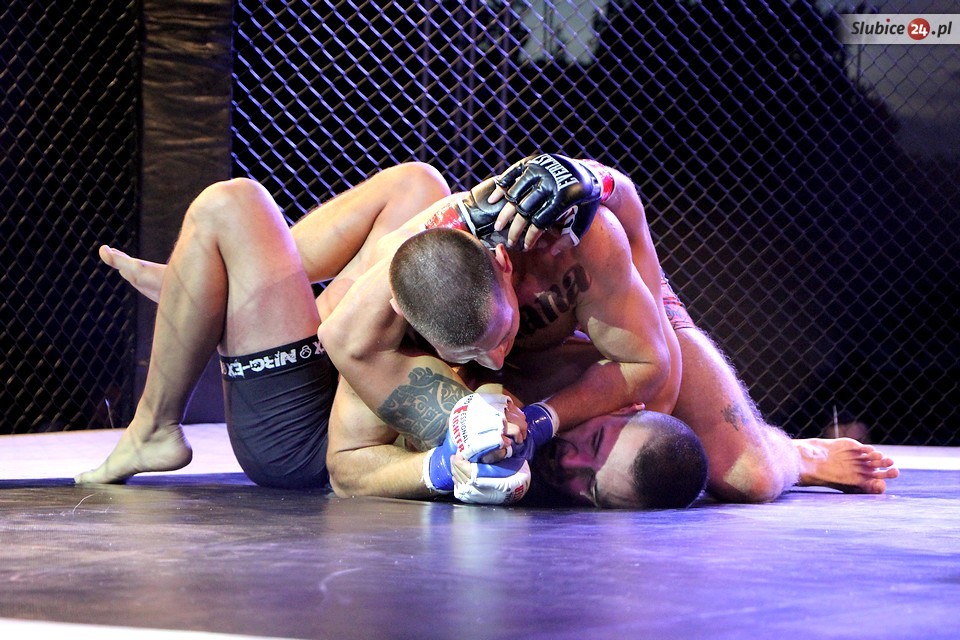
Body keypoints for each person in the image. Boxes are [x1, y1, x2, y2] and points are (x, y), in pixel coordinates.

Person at [83, 161, 708, 509]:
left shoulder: (500, 436)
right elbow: (650, 363)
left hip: (297, 437)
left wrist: (443, 466)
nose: (497, 358)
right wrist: (471, 210)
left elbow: (345, 465)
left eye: (589, 480)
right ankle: (207, 286)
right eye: (592, 444)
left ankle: (160, 408)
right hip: (343, 360)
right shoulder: (388, 334)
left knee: (230, 205)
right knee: (418, 185)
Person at [317, 153, 899, 504]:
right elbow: (339, 344)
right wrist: (441, 465)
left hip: (631, 321)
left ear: (503, 265)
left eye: (500, 333)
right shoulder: (389, 311)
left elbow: (655, 380)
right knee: (487, 426)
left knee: (751, 476)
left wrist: (597, 181)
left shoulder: (570, 241)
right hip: (528, 349)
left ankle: (797, 453)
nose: (494, 357)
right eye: (469, 350)